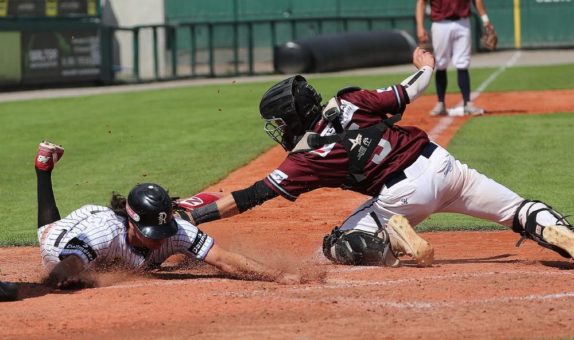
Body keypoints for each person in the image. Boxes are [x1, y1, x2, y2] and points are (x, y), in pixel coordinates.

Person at [176, 47, 574, 267]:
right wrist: (427, 64)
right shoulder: (349, 100)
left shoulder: (304, 158)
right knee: (519, 209)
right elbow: (409, 91)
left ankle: (394, 240)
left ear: (293, 118)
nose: (278, 130)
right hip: (446, 166)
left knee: (337, 244)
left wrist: (195, 217)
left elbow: (251, 196)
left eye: (279, 122)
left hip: (403, 197)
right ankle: (558, 231)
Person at [34, 141, 299, 289]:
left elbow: (223, 259)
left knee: (177, 241)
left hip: (108, 224)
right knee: (49, 234)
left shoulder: (174, 230)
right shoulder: (103, 233)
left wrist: (276, 275)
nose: (160, 239)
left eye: (164, 230)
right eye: (153, 234)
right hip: (61, 240)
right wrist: (64, 277)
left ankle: (184, 207)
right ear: (133, 223)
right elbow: (65, 267)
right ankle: (42, 169)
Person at [415, 0, 495, 116]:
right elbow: (421, 2)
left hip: (462, 22)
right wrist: (420, 27)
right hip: (440, 23)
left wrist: (485, 20)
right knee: (441, 64)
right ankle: (440, 103)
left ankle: (467, 104)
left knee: (463, 63)